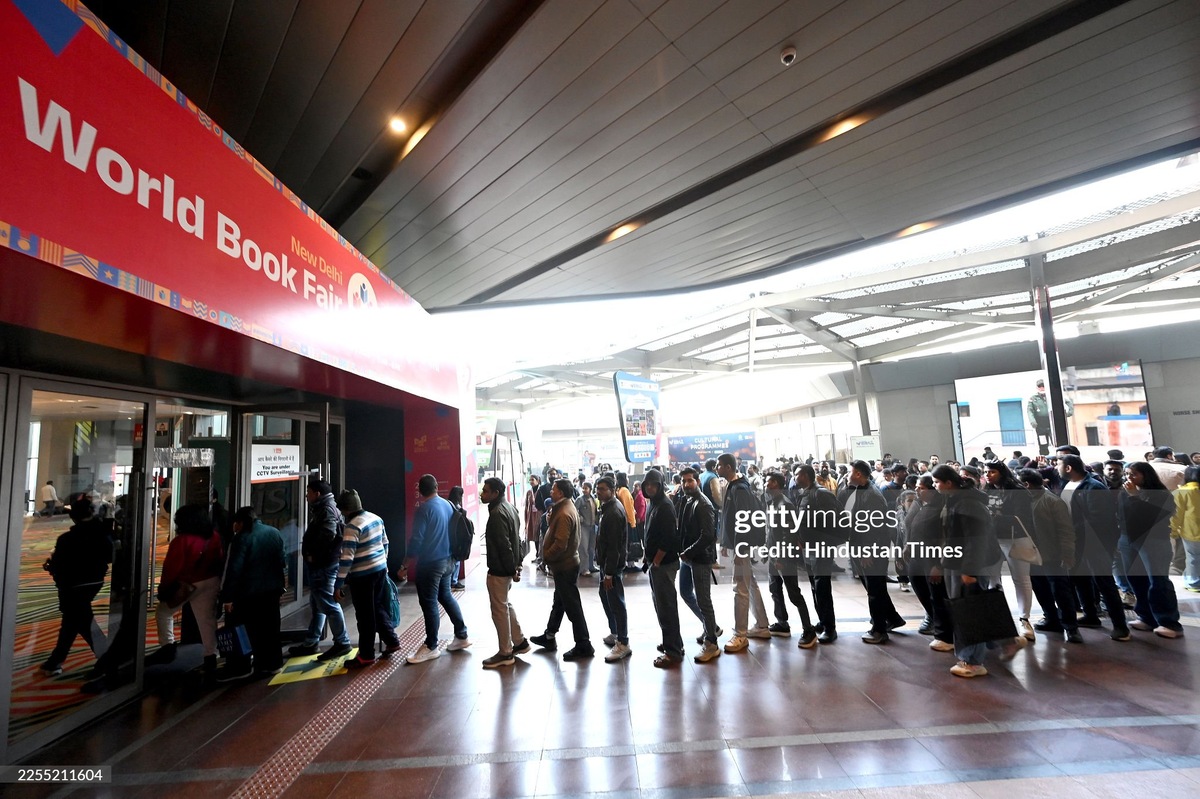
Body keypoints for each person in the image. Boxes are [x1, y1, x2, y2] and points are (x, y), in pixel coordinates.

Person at [930, 465, 1022, 678]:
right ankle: (1005, 641)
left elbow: (974, 540)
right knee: (974, 606)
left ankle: (972, 661)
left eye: (936, 483)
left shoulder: (967, 503)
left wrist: (968, 569)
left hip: (967, 564)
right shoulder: (962, 500)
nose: (935, 487)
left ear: (948, 483)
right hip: (961, 562)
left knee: (968, 610)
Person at [149, 503, 224, 682]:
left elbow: (172, 568)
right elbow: (219, 557)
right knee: (207, 620)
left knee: (164, 612)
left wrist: (164, 589)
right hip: (211, 580)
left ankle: (168, 645)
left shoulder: (181, 541)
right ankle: (210, 656)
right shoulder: (213, 536)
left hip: (188, 584)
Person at [1058, 455, 1130, 641]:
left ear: (1068, 468)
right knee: (1080, 580)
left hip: (1094, 544)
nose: (1056, 467)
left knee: (1104, 583)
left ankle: (1121, 626)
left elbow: (1099, 519)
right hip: (1076, 543)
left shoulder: (1093, 487)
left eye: (1059, 463)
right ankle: (1090, 614)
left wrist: (1072, 530)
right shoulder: (1069, 484)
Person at [40, 492, 112, 675]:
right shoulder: (103, 533)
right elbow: (110, 556)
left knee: (82, 622)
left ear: (73, 517)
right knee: (74, 621)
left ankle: (108, 660)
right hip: (94, 582)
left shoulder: (66, 539)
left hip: (72, 586)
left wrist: (52, 568)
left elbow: (59, 565)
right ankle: (55, 660)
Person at [405, 474, 470, 663]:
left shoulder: (423, 509)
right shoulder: (448, 504)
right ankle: (462, 635)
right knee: (445, 596)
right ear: (436, 487)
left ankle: (431, 646)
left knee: (429, 603)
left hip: (430, 564)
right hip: (449, 561)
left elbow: (416, 539)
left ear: (420, 490)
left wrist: (405, 564)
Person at [838, 460, 905, 644]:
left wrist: (868, 552)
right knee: (875, 587)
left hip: (872, 549)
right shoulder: (862, 490)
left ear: (858, 473)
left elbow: (874, 527)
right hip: (863, 547)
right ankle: (892, 618)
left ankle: (879, 629)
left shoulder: (872, 495)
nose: (847, 474)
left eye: (850, 471)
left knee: (874, 590)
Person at [217, 506, 286, 681]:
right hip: (272, 591)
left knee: (244, 630)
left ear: (239, 523)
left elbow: (234, 569)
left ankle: (241, 667)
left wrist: (227, 597)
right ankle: (273, 664)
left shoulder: (241, 539)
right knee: (270, 628)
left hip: (248, 593)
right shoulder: (274, 532)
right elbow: (281, 561)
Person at [335, 490, 400, 667]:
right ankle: (392, 641)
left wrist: (338, 583)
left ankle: (366, 655)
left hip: (362, 576)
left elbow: (347, 558)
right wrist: (382, 562)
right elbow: (385, 542)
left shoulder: (352, 527)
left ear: (347, 509)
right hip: (379, 570)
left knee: (365, 616)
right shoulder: (375, 518)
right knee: (377, 607)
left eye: (342, 510)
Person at [1117, 462, 1183, 638]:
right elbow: (1123, 516)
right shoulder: (1125, 492)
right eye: (1127, 474)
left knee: (1158, 581)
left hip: (1153, 540)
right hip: (1128, 540)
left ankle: (1169, 622)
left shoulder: (1160, 495)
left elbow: (1149, 518)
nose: (1129, 478)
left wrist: (1134, 496)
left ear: (1146, 475)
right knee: (1136, 579)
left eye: (1134, 474)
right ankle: (1146, 617)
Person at [530, 479, 592, 660]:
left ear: (562, 492)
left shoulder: (564, 512)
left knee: (572, 606)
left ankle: (584, 644)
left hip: (565, 566)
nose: (551, 491)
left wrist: (546, 556)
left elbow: (561, 544)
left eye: (554, 489)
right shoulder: (563, 508)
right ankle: (549, 635)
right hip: (564, 565)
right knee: (560, 602)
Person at [290, 479, 352, 661]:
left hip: (324, 564)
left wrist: (313, 554)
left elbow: (328, 533)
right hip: (325, 563)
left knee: (328, 604)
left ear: (317, 493)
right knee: (318, 604)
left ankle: (342, 641)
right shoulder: (328, 507)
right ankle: (311, 641)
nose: (306, 495)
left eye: (308, 492)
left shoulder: (325, 509)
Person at [1018, 469, 1081, 643]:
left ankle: (1071, 628)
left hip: (1053, 555)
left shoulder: (1052, 501)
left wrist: (1067, 554)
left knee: (1060, 591)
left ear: (1026, 485)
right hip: (1033, 555)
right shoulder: (1025, 502)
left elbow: (1066, 531)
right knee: (1041, 589)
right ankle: (1052, 619)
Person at [718, 453, 772, 651]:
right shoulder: (736, 486)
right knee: (749, 584)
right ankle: (762, 625)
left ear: (729, 468)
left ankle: (740, 634)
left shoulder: (739, 489)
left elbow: (743, 521)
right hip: (739, 545)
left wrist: (739, 547)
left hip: (742, 546)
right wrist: (726, 542)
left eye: (720, 465)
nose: (717, 468)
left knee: (740, 587)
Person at [981, 460, 1037, 641]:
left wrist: (996, 518)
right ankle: (999, 618)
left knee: (1021, 579)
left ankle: (1024, 619)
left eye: (991, 471)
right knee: (993, 579)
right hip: (993, 539)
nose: (988, 475)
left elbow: (1023, 517)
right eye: (986, 472)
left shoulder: (1017, 491)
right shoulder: (986, 491)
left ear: (1001, 472)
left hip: (1015, 537)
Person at [479, 477, 528, 669]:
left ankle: (506, 652)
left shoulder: (497, 514)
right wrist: (517, 564)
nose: (482, 494)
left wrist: (512, 568)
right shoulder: (509, 507)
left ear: (495, 494)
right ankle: (520, 642)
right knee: (505, 605)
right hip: (507, 568)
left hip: (500, 570)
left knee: (499, 610)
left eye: (485, 491)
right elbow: (517, 538)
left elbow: (504, 545)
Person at [764, 473, 817, 648]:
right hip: (774, 555)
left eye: (770, 482)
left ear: (778, 484)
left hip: (784, 557)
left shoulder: (784, 504)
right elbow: (771, 530)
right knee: (775, 589)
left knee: (793, 593)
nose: (767, 484)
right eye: (766, 481)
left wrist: (780, 556)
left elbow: (789, 534)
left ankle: (808, 629)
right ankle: (782, 623)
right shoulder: (772, 502)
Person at [676, 467, 721, 662]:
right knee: (686, 592)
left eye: (690, 481)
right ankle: (710, 626)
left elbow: (708, 535)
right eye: (684, 481)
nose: (686, 484)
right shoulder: (688, 500)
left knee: (704, 600)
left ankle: (711, 642)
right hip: (688, 557)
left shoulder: (703, 504)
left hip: (700, 558)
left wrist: (688, 552)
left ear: (697, 481)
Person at [641, 468, 683, 667]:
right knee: (662, 605)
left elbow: (668, 538)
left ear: (659, 485)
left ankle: (672, 651)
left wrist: (656, 561)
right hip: (655, 563)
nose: (650, 488)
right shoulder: (653, 503)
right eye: (647, 484)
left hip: (663, 564)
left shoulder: (665, 506)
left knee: (666, 607)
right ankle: (674, 643)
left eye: (653, 485)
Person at [594, 477, 631, 662]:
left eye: (602, 489)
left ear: (612, 490)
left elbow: (614, 546)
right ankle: (616, 632)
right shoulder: (607, 508)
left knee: (616, 602)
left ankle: (623, 642)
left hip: (612, 567)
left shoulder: (614, 512)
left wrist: (609, 572)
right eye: (597, 489)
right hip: (606, 564)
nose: (598, 492)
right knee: (606, 596)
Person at [1170, 465, 1200, 592]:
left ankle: (1194, 583)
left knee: (1193, 557)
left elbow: (1176, 514)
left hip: (1191, 531)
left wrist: (1172, 530)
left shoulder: (1181, 492)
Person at [575, 481, 598, 575]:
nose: (584, 490)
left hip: (592, 526)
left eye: (586, 488)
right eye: (583, 488)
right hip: (584, 526)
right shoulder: (580, 499)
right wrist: (581, 519)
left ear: (590, 489)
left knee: (592, 547)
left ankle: (591, 565)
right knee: (583, 547)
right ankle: (584, 569)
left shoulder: (593, 499)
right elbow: (575, 510)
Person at [448, 486, 467, 590]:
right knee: (456, 560)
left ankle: (451, 580)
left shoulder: (448, 503)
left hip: (450, 535)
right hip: (457, 536)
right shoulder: (457, 507)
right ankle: (453, 581)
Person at [524, 475, 543, 561]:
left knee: (540, 535)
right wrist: (526, 518)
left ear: (538, 481)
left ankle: (541, 555)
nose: (531, 481)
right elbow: (527, 506)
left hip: (539, 515)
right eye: (530, 480)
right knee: (534, 536)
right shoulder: (528, 492)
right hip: (531, 516)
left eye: (533, 480)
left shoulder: (541, 491)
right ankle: (537, 555)